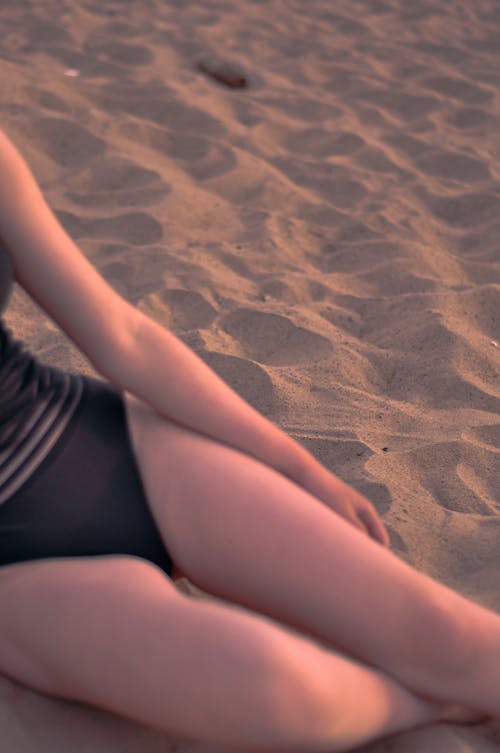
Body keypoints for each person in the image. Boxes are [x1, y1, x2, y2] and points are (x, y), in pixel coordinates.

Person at [0, 126, 494, 753]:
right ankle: (430, 704)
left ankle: (442, 684)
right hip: (18, 567)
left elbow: (124, 336)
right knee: (282, 691)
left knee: (452, 637)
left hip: (101, 446)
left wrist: (296, 467)